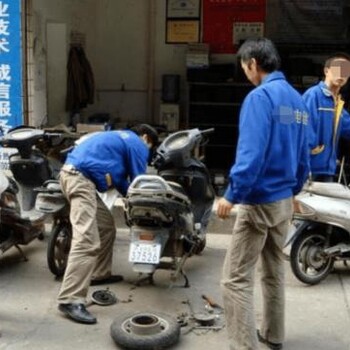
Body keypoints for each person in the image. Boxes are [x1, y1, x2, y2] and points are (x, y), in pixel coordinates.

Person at [216, 38, 309, 350]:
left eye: (244, 67)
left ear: (253, 64)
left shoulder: (261, 98)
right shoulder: (295, 101)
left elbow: (251, 154)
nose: (245, 73)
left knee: (234, 280)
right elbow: (302, 154)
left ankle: (243, 346)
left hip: (259, 200)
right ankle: (273, 336)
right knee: (273, 271)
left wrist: (232, 194)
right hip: (283, 201)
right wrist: (294, 189)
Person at [57, 124, 158, 325]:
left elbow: (123, 183)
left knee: (106, 227)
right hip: (80, 180)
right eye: (150, 147)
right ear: (146, 137)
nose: (147, 151)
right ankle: (70, 299)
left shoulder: (118, 139)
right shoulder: (136, 142)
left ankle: (99, 274)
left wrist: (129, 195)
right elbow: (139, 180)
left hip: (79, 179)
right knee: (87, 241)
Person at [303, 52, 350, 182]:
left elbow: (347, 125)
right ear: (326, 71)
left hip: (327, 168)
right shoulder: (313, 95)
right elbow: (304, 127)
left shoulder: (337, 102)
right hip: (310, 168)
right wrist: (311, 150)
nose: (341, 74)